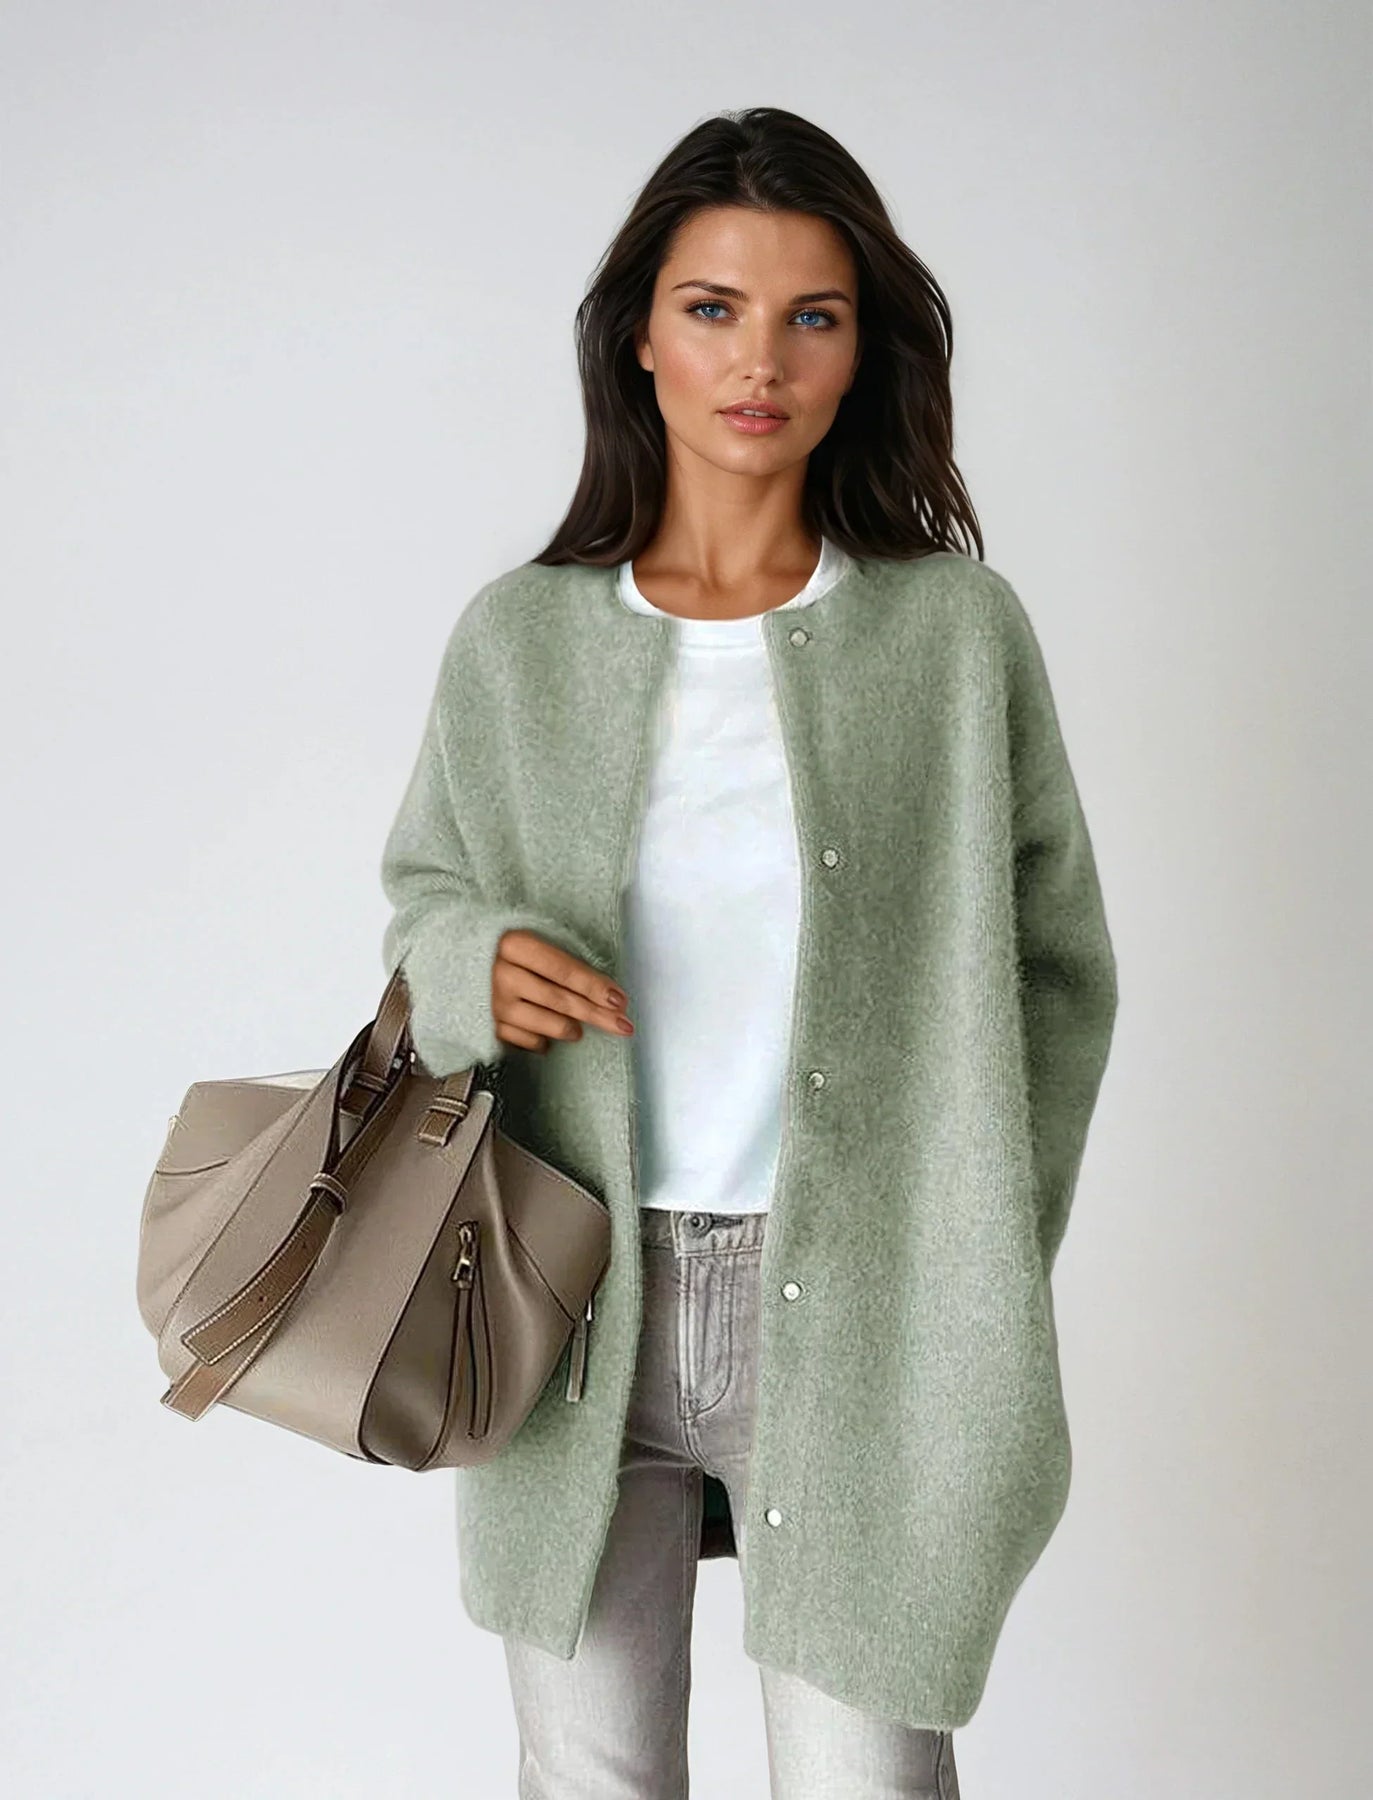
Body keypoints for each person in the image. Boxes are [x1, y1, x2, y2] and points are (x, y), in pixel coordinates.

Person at [379, 105, 1118, 1800]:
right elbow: (425, 896)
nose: (758, 360)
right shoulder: (518, 641)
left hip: (860, 1298)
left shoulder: (950, 636)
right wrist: (469, 965)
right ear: (638, 335)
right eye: (712, 308)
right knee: (590, 1776)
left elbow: (1060, 968)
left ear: (864, 351)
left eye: (812, 315)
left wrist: (972, 1248)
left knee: (866, 1777)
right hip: (570, 1296)